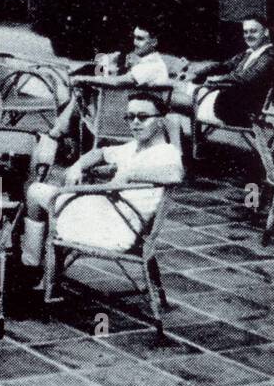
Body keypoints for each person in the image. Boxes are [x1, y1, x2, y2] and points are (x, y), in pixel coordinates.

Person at [21, 92, 183, 265]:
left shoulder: (166, 152)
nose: (135, 122)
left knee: (35, 191)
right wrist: (77, 167)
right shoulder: (135, 147)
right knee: (48, 193)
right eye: (130, 117)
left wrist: (130, 175)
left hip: (115, 229)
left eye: (143, 117)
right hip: (107, 214)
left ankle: (31, 264)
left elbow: (176, 173)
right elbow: (100, 153)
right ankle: (43, 263)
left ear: (160, 120)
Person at [43, 23, 171, 146]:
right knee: (82, 90)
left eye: (140, 39)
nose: (135, 42)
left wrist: (83, 79)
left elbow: (117, 82)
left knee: (81, 92)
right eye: (134, 38)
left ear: (154, 42)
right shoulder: (151, 63)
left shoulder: (150, 67)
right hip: (132, 115)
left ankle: (57, 133)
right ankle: (59, 132)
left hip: (122, 119)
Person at [181, 17, 274, 128]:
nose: (248, 35)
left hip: (243, 111)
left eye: (253, 31)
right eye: (245, 32)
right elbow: (224, 66)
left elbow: (247, 77)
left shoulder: (270, 55)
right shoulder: (248, 53)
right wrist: (197, 74)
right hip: (229, 101)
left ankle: (177, 138)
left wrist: (218, 79)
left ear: (266, 32)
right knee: (183, 91)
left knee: (179, 97)